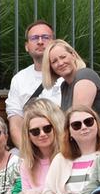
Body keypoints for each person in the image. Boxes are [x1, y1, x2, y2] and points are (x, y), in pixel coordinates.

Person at [45, 105, 100, 194]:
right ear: (69, 132)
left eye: (88, 122)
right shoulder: (60, 159)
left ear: (97, 124)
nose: (84, 127)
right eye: (76, 125)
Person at [4, 19, 59, 155]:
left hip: (63, 146)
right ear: (27, 46)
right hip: (30, 147)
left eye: (45, 37)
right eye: (34, 38)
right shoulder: (19, 79)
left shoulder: (66, 74)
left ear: (54, 43)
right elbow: (15, 122)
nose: (40, 41)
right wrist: (29, 152)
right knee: (13, 157)